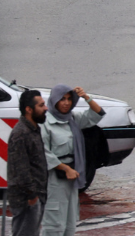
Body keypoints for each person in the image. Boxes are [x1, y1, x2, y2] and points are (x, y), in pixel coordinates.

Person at [40, 85, 103, 236]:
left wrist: (86, 97)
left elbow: (97, 114)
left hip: (72, 176)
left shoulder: (72, 119)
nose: (66, 103)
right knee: (54, 223)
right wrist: (65, 168)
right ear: (54, 100)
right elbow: (43, 153)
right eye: (62, 99)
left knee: (70, 223)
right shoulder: (45, 123)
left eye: (69, 99)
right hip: (54, 178)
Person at [7, 90, 48, 236]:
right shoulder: (21, 134)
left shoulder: (33, 129)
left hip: (35, 197)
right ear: (29, 109)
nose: (46, 108)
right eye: (41, 105)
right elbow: (21, 169)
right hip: (26, 200)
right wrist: (32, 197)